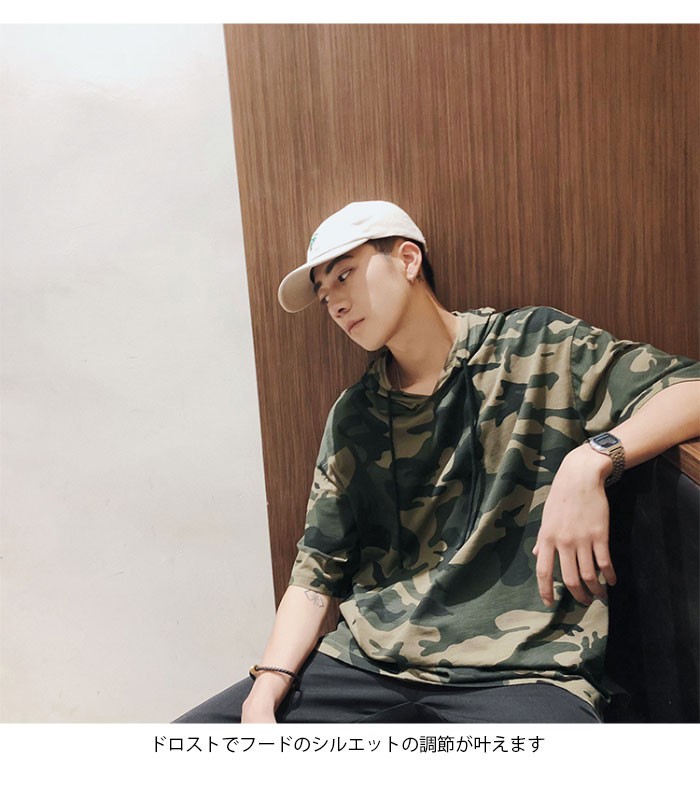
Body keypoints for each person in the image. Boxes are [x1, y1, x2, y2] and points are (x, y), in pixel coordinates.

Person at [175, 200, 699, 724]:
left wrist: (592, 460)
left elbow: (690, 389)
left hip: (524, 672)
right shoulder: (354, 415)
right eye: (324, 293)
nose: (335, 303)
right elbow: (315, 574)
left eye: (345, 274)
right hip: (365, 665)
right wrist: (267, 686)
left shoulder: (538, 345)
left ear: (408, 259)